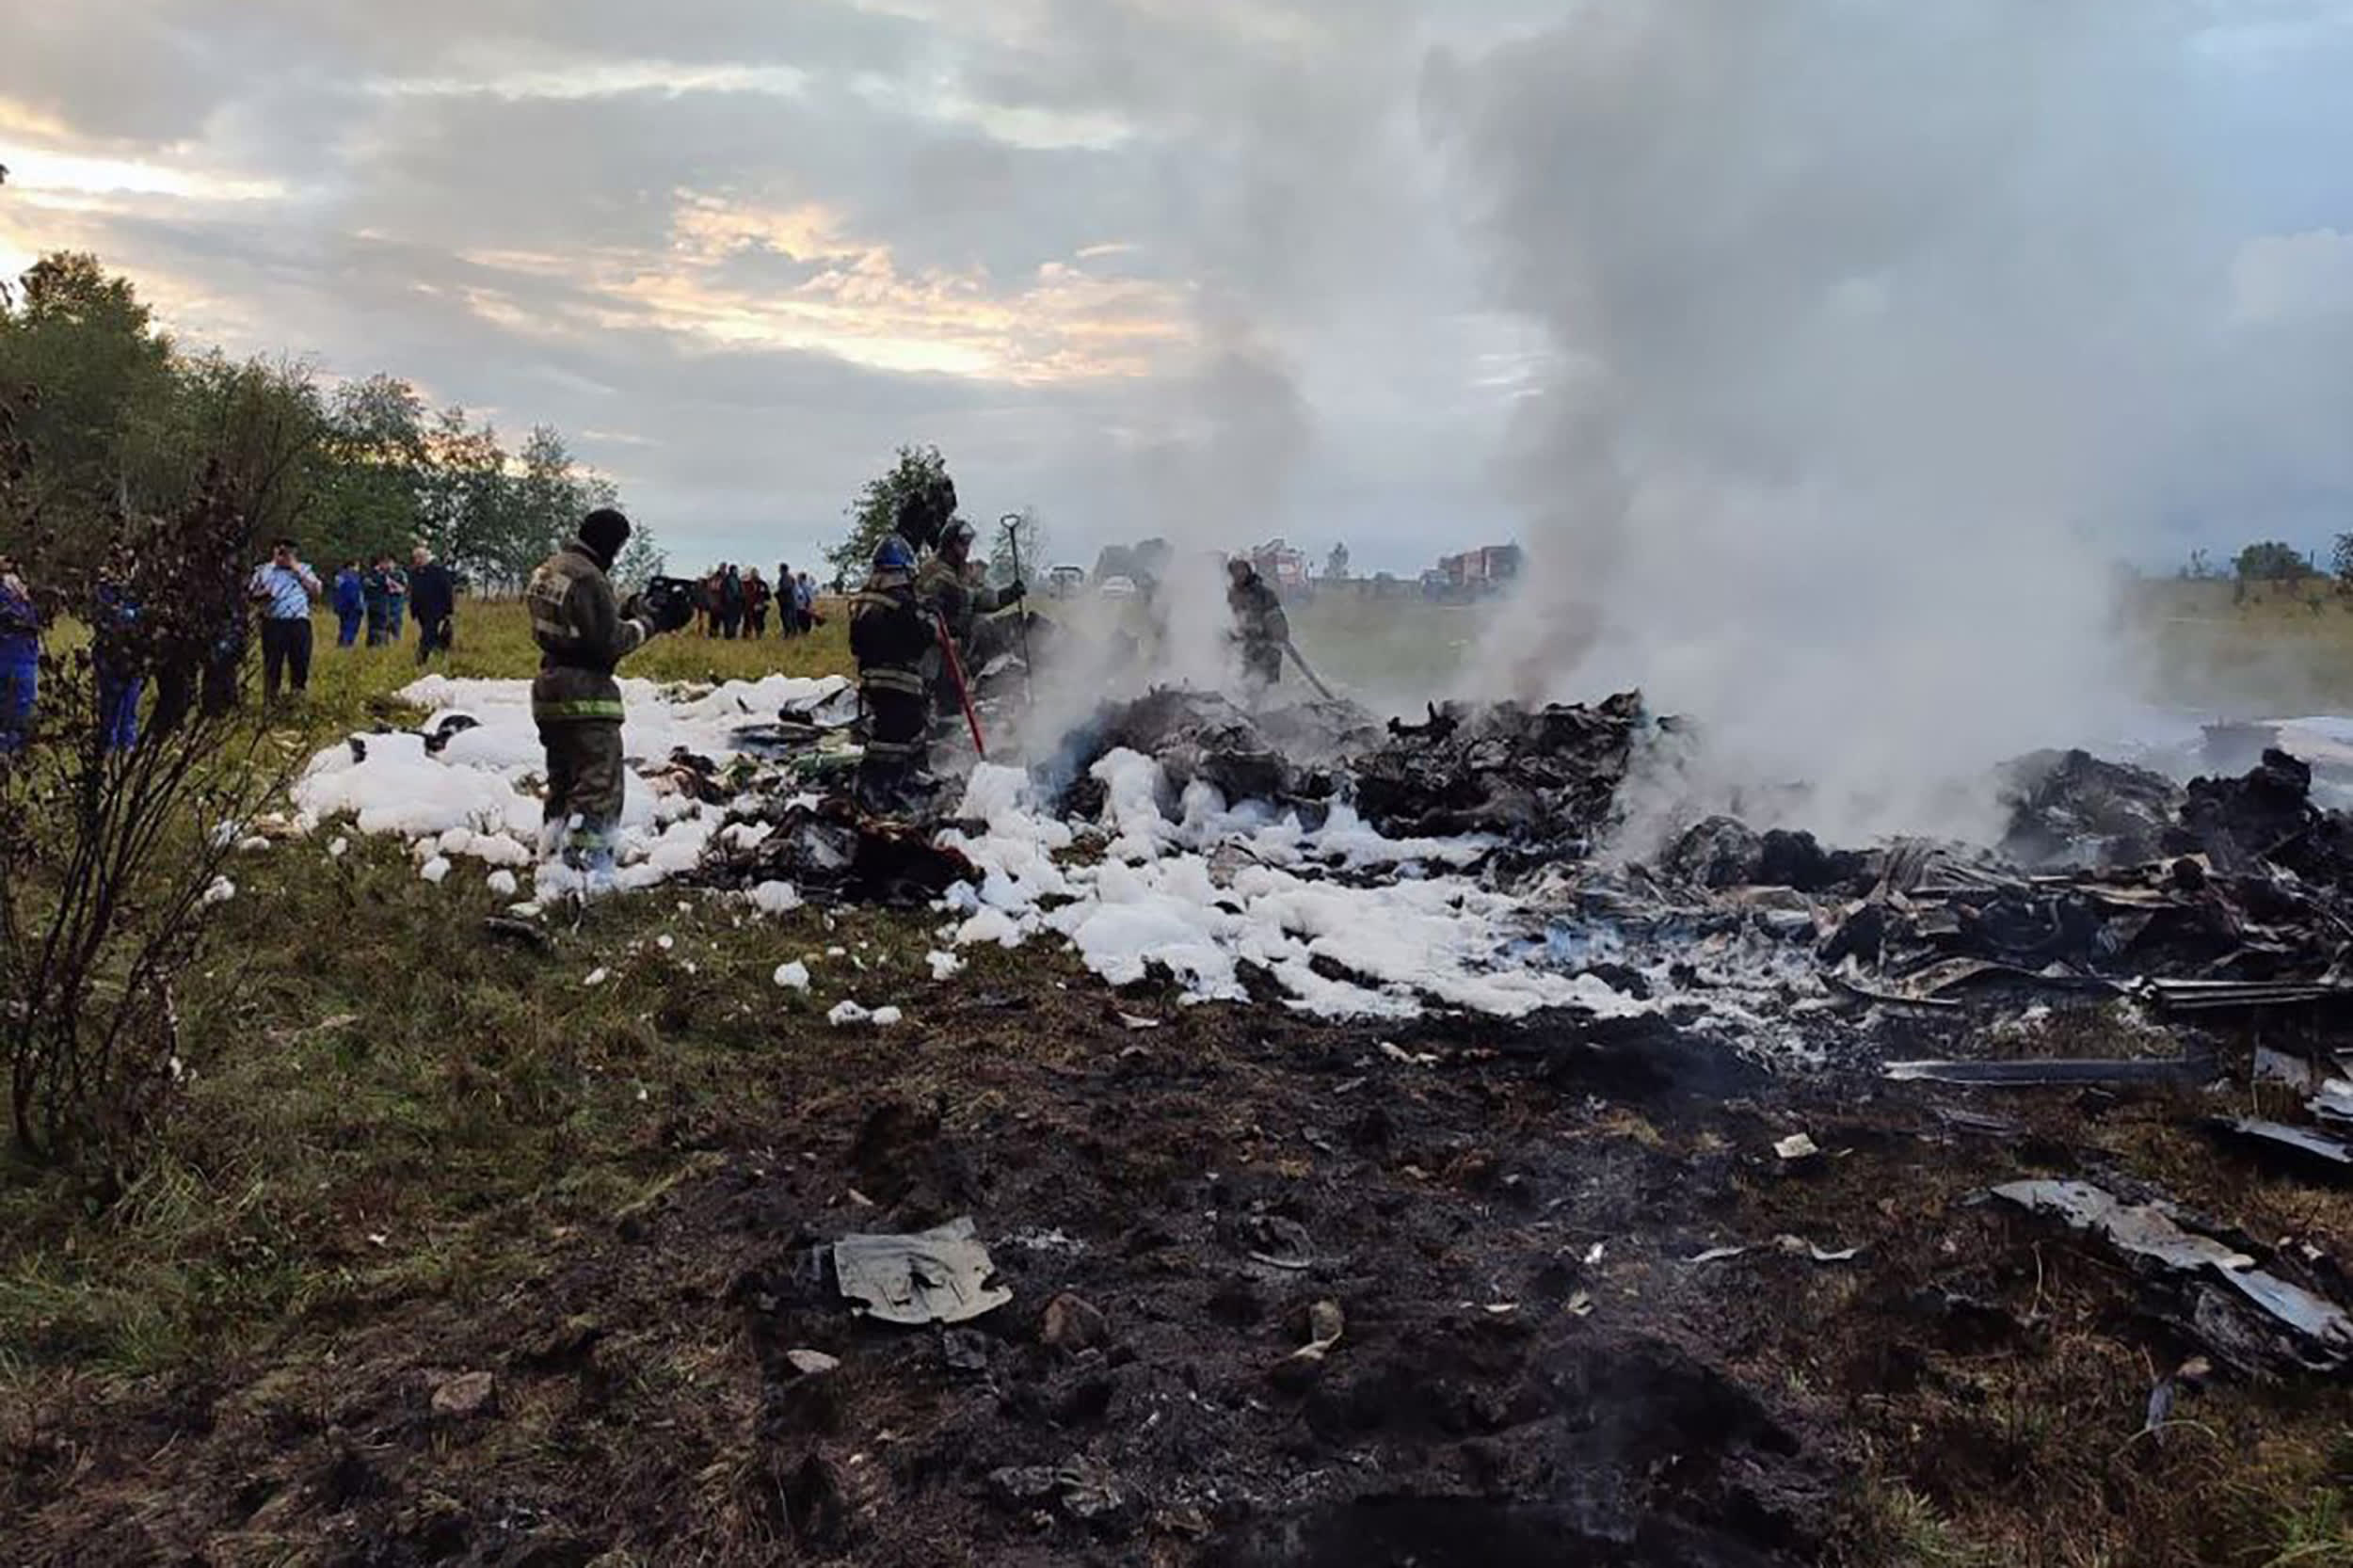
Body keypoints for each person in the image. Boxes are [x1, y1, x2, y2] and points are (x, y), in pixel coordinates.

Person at [525, 508, 686, 887]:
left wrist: (627, 609)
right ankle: (585, 868)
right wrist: (651, 623)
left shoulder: (549, 569)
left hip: (549, 689)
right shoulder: (589, 578)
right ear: (612, 542)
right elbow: (608, 643)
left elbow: (578, 623)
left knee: (562, 780)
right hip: (586, 695)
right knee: (598, 784)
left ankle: (550, 856)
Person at [851, 534, 936, 813]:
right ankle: (880, 787)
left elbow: (856, 643)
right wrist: (929, 622)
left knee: (887, 732)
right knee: (897, 737)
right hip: (901, 681)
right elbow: (919, 640)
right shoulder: (902, 600)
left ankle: (890, 784)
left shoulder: (863, 598)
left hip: (871, 680)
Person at [916, 520, 1025, 714]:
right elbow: (958, 597)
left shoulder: (963, 572)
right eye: (961, 544)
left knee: (953, 704)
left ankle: (946, 738)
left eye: (968, 544)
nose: (966, 550)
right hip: (932, 651)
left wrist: (1008, 594)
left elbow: (982, 599)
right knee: (932, 704)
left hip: (955, 651)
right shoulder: (933, 570)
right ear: (949, 544)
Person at [249, 538, 322, 702]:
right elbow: (251, 593)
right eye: (281, 552)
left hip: (298, 622)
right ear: (274, 551)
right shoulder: (263, 571)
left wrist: (295, 568)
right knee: (272, 665)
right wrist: (262, 595)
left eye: (288, 552)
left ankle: (297, 699)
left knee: (300, 662)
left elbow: (316, 592)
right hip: (273, 621)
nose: (284, 556)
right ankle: (271, 700)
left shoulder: (304, 569)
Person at [1225, 556, 1289, 694]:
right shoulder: (1230, 596)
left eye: (1242, 569)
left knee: (1256, 690)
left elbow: (1279, 627)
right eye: (1235, 570)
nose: (1239, 574)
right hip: (1243, 653)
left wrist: (1258, 629)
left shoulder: (1264, 595)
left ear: (1248, 571)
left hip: (1264, 653)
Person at [0, 553, 39, 755]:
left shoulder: (25, 599)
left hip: (22, 659)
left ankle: (13, 750)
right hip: (13, 660)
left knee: (19, 709)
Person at [408, 546, 456, 664]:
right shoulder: (414, 573)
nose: (417, 560)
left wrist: (449, 611)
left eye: (420, 557)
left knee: (427, 634)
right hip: (421, 611)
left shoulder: (438, 571)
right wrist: (413, 610)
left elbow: (447, 591)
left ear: (425, 557)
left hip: (436, 610)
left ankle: (421, 659)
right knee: (431, 634)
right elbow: (414, 592)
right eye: (415, 558)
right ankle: (439, 654)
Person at [362, 554, 394, 647]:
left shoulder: (368, 575)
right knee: (381, 627)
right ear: (382, 563)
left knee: (371, 627)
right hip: (381, 605)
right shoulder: (382, 576)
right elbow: (391, 588)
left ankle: (371, 645)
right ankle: (380, 645)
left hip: (370, 605)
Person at [332, 561, 366, 648]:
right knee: (351, 628)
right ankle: (347, 645)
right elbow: (355, 594)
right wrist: (360, 606)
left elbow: (336, 593)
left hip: (342, 607)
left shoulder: (339, 577)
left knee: (343, 627)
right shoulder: (353, 578)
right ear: (351, 566)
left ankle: (341, 644)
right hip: (353, 607)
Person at [744, 567, 771, 638]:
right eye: (753, 574)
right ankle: (747, 637)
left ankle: (759, 636)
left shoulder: (763, 584)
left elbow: (768, 596)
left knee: (759, 622)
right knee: (748, 622)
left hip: (760, 606)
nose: (754, 575)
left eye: (756, 573)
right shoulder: (746, 584)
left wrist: (763, 602)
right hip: (749, 606)